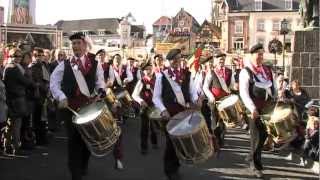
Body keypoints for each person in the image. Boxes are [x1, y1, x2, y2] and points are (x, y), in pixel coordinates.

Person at [50, 32, 106, 180]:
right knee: (74, 141)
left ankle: (83, 165)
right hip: (72, 109)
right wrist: (61, 97)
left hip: (89, 107)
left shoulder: (94, 63)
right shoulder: (65, 64)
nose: (75, 46)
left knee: (88, 141)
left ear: (85, 45)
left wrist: (101, 91)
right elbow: (53, 83)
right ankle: (75, 173)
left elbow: (100, 81)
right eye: (73, 44)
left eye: (78, 43)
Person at [152, 48, 193, 180]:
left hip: (183, 113)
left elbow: (191, 92)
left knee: (180, 142)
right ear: (169, 61)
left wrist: (197, 98)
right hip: (169, 114)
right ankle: (169, 170)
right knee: (171, 142)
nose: (176, 61)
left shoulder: (187, 74)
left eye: (178, 58)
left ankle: (175, 166)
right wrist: (163, 109)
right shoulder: (161, 76)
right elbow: (156, 98)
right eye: (174, 59)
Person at [239, 43, 275, 178]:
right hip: (254, 109)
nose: (261, 56)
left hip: (267, 108)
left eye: (262, 54)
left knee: (264, 136)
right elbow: (243, 93)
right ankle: (255, 166)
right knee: (256, 138)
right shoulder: (246, 71)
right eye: (258, 54)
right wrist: (252, 108)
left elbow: (273, 87)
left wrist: (276, 100)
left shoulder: (267, 70)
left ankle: (251, 156)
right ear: (252, 55)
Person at [3, 48, 35, 155]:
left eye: (20, 56)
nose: (18, 58)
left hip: (11, 99)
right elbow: (26, 82)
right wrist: (33, 82)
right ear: (10, 57)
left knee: (10, 125)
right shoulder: (14, 69)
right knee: (16, 125)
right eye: (16, 56)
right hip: (17, 100)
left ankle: (7, 146)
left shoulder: (9, 67)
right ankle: (15, 148)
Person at [203, 52, 232, 146]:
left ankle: (221, 139)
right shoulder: (211, 72)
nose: (221, 61)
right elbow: (205, 87)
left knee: (224, 121)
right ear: (216, 61)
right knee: (215, 121)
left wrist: (236, 87)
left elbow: (231, 85)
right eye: (220, 60)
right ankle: (216, 139)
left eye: (223, 59)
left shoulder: (229, 71)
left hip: (225, 100)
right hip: (214, 101)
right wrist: (211, 97)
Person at [132, 62, 158, 155]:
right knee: (145, 128)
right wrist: (141, 101)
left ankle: (154, 142)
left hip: (155, 107)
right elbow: (134, 95)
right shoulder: (141, 81)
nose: (148, 71)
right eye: (146, 69)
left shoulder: (157, 80)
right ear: (143, 71)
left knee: (154, 126)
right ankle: (144, 147)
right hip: (145, 107)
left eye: (150, 69)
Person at [30, 47, 50, 146]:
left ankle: (42, 138)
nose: (39, 57)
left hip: (43, 96)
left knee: (43, 118)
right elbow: (35, 82)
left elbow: (47, 79)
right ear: (33, 56)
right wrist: (43, 87)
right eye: (37, 55)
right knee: (37, 119)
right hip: (36, 97)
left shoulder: (44, 65)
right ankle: (38, 139)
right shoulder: (32, 67)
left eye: (41, 55)